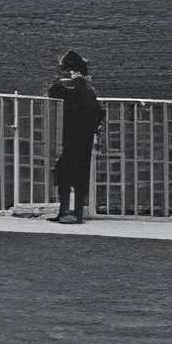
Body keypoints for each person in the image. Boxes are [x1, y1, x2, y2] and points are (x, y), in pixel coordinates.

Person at [47, 50, 105, 223]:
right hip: (80, 139)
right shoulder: (86, 89)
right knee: (73, 174)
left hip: (74, 138)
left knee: (67, 173)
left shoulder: (78, 88)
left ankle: (70, 213)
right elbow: (100, 111)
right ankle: (71, 212)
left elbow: (55, 91)